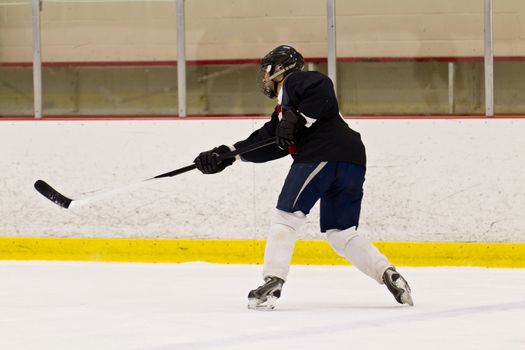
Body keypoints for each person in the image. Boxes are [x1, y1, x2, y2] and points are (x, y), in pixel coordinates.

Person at [194, 45, 413, 310]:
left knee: (286, 217)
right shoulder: (285, 112)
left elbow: (321, 86)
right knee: (341, 233)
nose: (264, 77)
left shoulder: (296, 82)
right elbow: (269, 141)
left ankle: (272, 282)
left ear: (280, 69)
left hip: (322, 154)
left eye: (267, 70)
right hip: (352, 160)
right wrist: (228, 155)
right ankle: (389, 274)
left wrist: (298, 117)